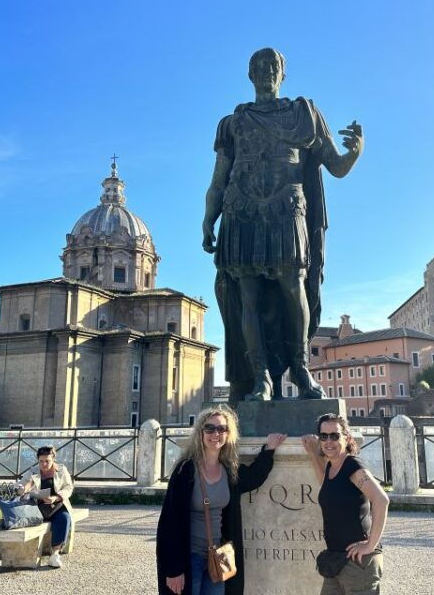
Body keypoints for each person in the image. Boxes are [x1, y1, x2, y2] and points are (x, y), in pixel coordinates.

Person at [201, 47, 364, 402]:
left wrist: (354, 154)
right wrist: (208, 219)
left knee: (295, 288)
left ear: (282, 74)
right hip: (241, 211)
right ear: (250, 75)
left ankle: (300, 368)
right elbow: (218, 179)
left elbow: (335, 166)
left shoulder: (303, 114)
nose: (266, 71)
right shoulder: (233, 123)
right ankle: (260, 377)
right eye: (259, 66)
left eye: (272, 66)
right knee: (249, 298)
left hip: (287, 209)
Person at [156, 405, 287, 595]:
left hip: (217, 558)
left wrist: (269, 450)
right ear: (201, 432)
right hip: (188, 558)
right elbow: (170, 521)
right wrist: (173, 569)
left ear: (228, 434)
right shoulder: (185, 470)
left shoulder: (228, 469)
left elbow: (253, 477)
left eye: (221, 429)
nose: (215, 434)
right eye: (209, 428)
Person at [302, 414, 389, 594]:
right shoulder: (331, 466)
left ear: (346, 437)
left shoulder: (352, 465)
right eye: (324, 436)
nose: (328, 441)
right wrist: (312, 453)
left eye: (334, 435)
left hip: (357, 562)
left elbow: (381, 500)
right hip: (335, 560)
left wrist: (370, 545)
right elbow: (325, 484)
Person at [0, 445, 74, 569]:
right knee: (23, 517)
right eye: (41, 461)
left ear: (53, 459)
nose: (44, 464)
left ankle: (55, 554)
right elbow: (18, 487)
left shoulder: (61, 470)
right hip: (37, 506)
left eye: (47, 461)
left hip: (57, 506)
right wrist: (23, 488)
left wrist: (56, 497)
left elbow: (69, 487)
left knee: (64, 519)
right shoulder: (33, 471)